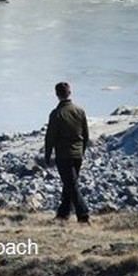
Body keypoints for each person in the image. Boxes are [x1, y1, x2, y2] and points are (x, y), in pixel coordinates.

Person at [44, 81, 90, 223]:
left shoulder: (57, 114)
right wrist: (82, 150)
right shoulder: (80, 111)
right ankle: (63, 214)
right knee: (69, 184)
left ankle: (83, 215)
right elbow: (86, 134)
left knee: (71, 185)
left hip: (64, 155)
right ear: (69, 93)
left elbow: (50, 136)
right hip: (78, 155)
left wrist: (47, 154)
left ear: (57, 94)